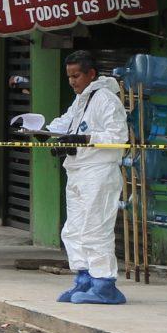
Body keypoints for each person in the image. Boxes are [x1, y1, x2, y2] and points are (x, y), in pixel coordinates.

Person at [50, 51, 130, 305]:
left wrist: (86, 138)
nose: (72, 81)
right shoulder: (80, 100)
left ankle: (105, 285)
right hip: (77, 170)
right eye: (69, 77)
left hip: (99, 172)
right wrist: (42, 130)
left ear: (91, 74)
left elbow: (119, 137)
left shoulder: (106, 99)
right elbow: (65, 123)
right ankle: (84, 279)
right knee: (73, 230)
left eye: (76, 76)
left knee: (95, 229)